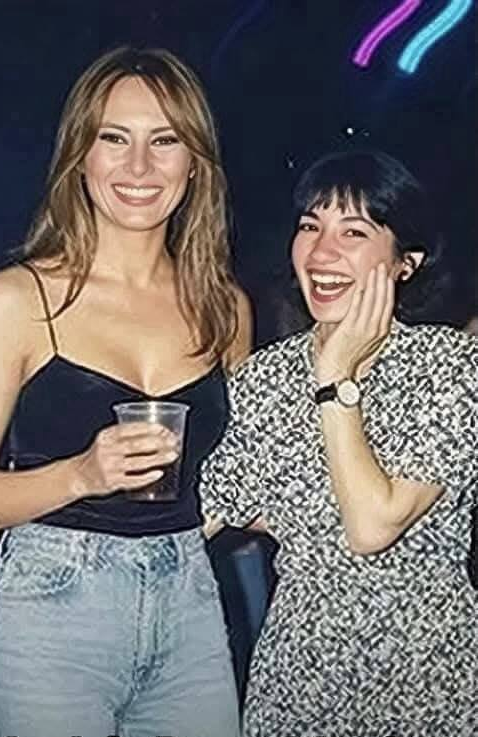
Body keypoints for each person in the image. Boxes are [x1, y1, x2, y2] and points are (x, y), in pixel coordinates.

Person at [0, 47, 251, 737]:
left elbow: (239, 481)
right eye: (114, 138)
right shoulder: (16, 299)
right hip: (53, 606)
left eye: (163, 141)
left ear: (195, 162)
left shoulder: (225, 307)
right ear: (79, 156)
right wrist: (82, 473)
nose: (138, 166)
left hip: (190, 600)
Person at [201, 149, 478, 736]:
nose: (322, 252)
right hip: (298, 680)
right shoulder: (264, 377)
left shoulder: (450, 366)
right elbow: (205, 512)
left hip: (425, 679)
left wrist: (336, 382)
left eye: (354, 232)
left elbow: (372, 527)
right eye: (310, 226)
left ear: (405, 263)